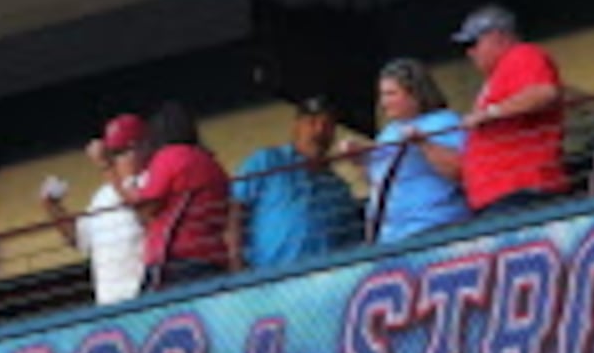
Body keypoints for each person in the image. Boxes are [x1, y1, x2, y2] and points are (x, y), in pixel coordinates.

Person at [449, 4, 568, 213]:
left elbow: (543, 93)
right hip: (497, 194)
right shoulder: (499, 74)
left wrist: (489, 113)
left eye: (474, 43)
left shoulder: (523, 55)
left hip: (520, 188)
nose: (470, 52)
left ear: (497, 37)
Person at [228, 99, 363, 271]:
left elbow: (352, 244)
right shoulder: (267, 161)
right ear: (297, 126)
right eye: (312, 123)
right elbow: (235, 209)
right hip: (266, 278)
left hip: (323, 284)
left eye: (327, 125)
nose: (319, 130)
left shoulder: (338, 188)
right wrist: (237, 265)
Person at [361, 58, 470, 242]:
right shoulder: (388, 133)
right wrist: (361, 158)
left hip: (433, 228)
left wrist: (424, 144)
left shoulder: (445, 122)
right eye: (382, 95)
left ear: (414, 93)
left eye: (391, 94)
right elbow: (377, 180)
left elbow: (461, 170)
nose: (384, 102)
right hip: (390, 237)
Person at [43, 115, 148, 306]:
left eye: (121, 152)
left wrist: (105, 166)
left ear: (142, 148)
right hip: (108, 302)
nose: (116, 160)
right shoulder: (102, 195)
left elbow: (138, 207)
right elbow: (78, 238)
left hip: (144, 295)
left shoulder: (150, 179)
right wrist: (52, 207)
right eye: (112, 154)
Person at [128, 101, 234, 288]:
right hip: (213, 255)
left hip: (176, 257)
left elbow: (147, 208)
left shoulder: (169, 157)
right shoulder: (212, 163)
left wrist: (129, 184)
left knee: (151, 315)